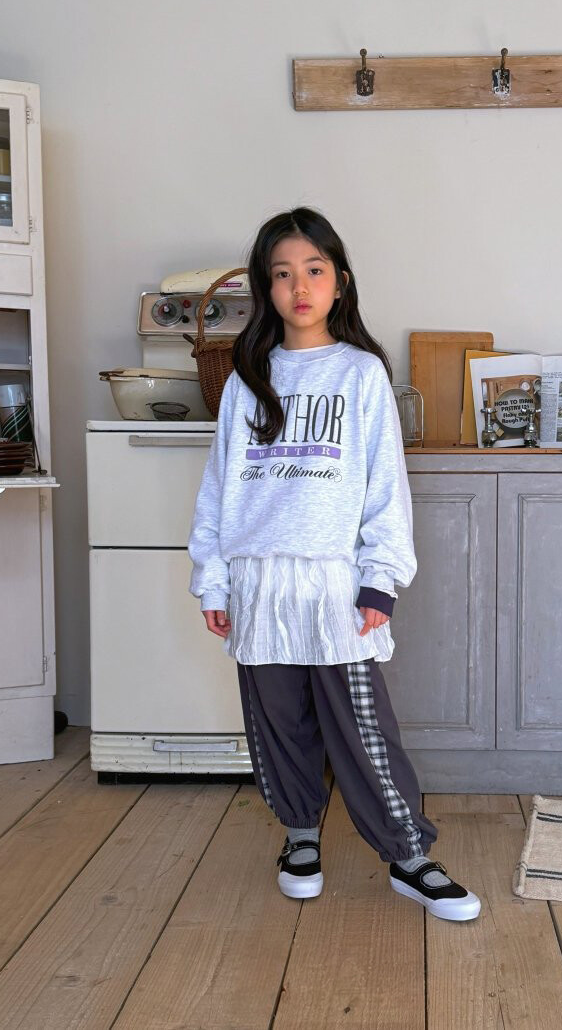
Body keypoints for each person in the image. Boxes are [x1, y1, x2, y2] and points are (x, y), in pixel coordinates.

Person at [187, 207, 480, 922]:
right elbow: (219, 488)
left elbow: (385, 486)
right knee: (278, 720)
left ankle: (408, 855)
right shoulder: (247, 378)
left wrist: (381, 577)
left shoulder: (360, 374)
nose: (299, 287)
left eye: (314, 270)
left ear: (340, 282)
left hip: (333, 581)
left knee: (361, 727)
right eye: (282, 274)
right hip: (259, 581)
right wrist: (213, 576)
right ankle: (299, 835)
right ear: (265, 288)